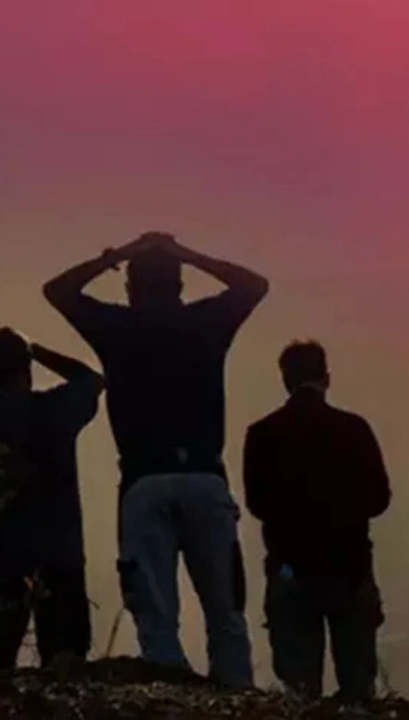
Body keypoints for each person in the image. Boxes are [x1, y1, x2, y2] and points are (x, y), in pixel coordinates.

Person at [43, 232, 268, 687]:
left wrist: (117, 253)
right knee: (226, 614)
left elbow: (57, 291)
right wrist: (189, 251)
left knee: (156, 619)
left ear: (131, 288)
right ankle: (237, 698)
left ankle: (172, 698)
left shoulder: (116, 327)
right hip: (205, 478)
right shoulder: (208, 322)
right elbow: (253, 285)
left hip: (144, 482)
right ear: (180, 285)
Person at [243, 340, 390, 702]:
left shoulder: (262, 433)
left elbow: (257, 504)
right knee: (357, 686)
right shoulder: (354, 429)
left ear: (285, 380)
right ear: (327, 377)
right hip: (350, 565)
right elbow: (379, 499)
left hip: (290, 568)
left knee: (299, 693)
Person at [0, 329, 102, 671]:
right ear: (24, 372)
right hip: (60, 554)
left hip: (5, 556)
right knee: (64, 662)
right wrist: (35, 348)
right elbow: (90, 379)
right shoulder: (55, 410)